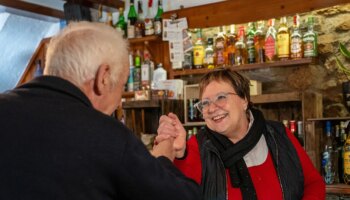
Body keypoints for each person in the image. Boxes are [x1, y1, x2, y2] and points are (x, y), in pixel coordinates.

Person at [0, 22, 201, 200]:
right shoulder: (107, 135)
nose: (119, 100)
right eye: (122, 86)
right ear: (103, 78)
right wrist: (163, 159)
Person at [156, 69, 325, 200]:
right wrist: (178, 155)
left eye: (221, 97)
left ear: (244, 100)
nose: (212, 108)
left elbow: (314, 184)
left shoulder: (279, 135)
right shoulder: (196, 147)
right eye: (205, 103)